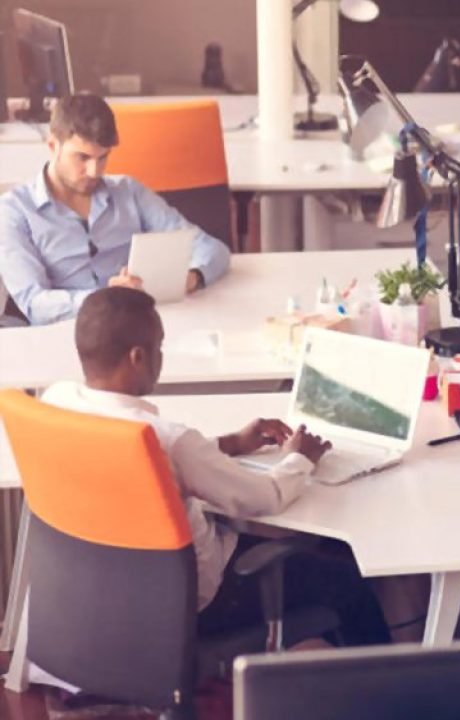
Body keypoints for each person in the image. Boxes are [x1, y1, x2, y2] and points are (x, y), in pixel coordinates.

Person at [40, 287, 390, 647]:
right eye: (159, 347)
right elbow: (263, 498)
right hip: (197, 599)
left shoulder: (55, 404)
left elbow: (163, 462)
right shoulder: (168, 440)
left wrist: (232, 443)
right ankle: (394, 698)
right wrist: (301, 457)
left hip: (104, 591)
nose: (162, 356)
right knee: (347, 582)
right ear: (137, 357)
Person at [0, 94, 231, 326]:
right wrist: (105, 298)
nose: (94, 171)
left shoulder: (128, 191)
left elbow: (212, 249)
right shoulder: (14, 210)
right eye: (83, 157)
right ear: (52, 146)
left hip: (133, 327)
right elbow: (34, 304)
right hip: (67, 332)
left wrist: (192, 277)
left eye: (103, 158)